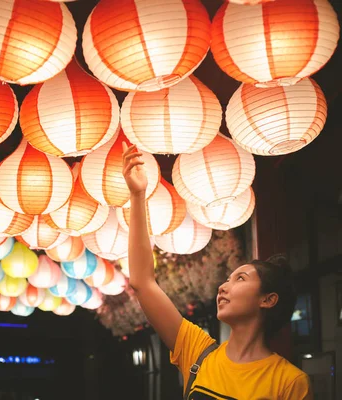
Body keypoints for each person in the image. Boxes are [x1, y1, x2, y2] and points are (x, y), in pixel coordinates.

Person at [121, 142, 313, 399]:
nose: (223, 287)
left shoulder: (289, 382)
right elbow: (143, 282)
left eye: (240, 278)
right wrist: (137, 195)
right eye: (227, 279)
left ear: (268, 299)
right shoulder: (197, 352)